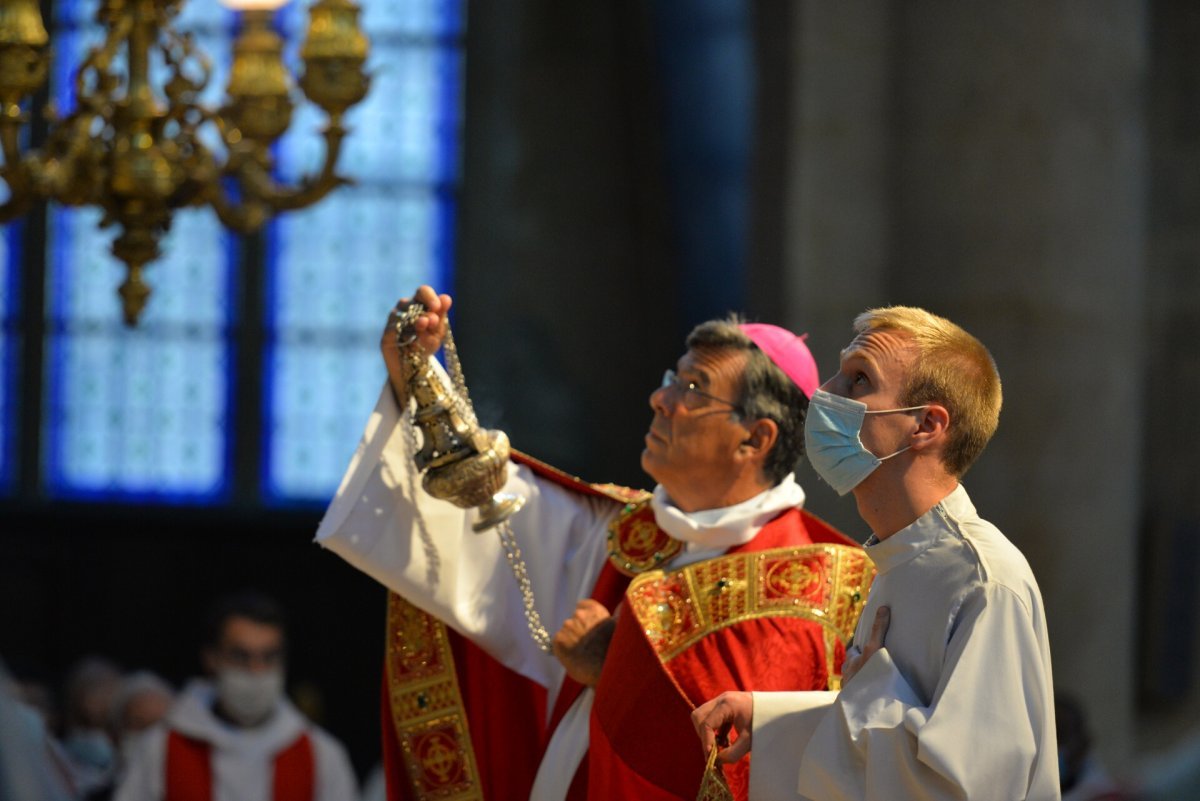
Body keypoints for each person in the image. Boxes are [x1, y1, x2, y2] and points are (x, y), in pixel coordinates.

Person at [316, 286, 873, 801]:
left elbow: (749, 763)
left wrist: (616, 669)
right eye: (672, 377)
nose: (661, 398)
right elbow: (476, 498)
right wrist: (414, 376)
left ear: (755, 438)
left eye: (693, 388)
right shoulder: (622, 530)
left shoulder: (816, 585)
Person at [692, 306, 1058, 800]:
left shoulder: (983, 580)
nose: (825, 394)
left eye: (859, 380)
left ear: (926, 425)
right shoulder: (900, 557)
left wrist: (872, 689)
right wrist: (770, 717)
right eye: (839, 373)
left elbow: (969, 785)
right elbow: (884, 727)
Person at [113, 591, 357, 801]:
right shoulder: (161, 748)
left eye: (269, 657)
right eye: (241, 657)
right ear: (211, 658)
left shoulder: (321, 755)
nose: (256, 671)